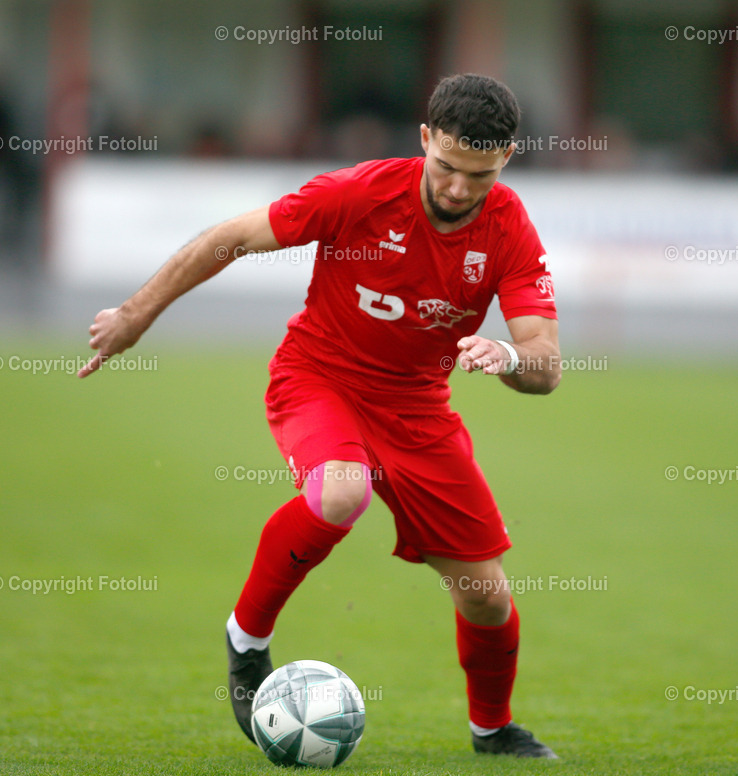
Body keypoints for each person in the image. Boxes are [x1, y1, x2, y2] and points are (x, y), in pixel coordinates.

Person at [77, 73, 561, 759]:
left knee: (486, 597)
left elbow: (546, 362)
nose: (457, 189)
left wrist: (510, 356)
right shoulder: (359, 193)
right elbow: (231, 237)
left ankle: (492, 730)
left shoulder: (508, 226)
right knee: (341, 488)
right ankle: (247, 641)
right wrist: (133, 315)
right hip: (319, 378)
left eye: (476, 175)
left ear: (505, 158)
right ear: (425, 140)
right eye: (447, 167)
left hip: (419, 409)